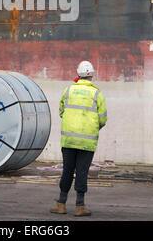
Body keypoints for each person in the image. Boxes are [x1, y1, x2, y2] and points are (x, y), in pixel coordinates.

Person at [50, 60, 107, 217]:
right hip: (87, 142)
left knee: (67, 170)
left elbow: (61, 111)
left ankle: (61, 204)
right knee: (82, 172)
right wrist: (92, 127)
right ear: (92, 75)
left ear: (78, 73)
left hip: (69, 140)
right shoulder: (97, 93)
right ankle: (79, 207)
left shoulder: (68, 91)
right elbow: (102, 118)